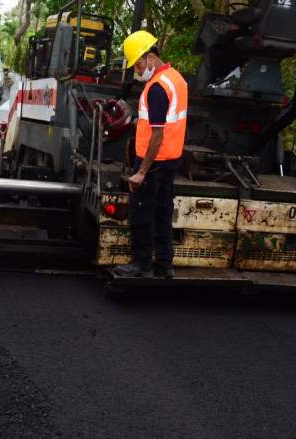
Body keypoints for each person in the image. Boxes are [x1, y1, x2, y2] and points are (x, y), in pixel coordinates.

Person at [113, 30, 187, 279]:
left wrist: (141, 171)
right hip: (170, 160)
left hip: (152, 162)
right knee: (164, 212)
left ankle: (141, 265)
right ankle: (165, 265)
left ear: (150, 57)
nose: (136, 71)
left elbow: (157, 134)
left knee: (142, 212)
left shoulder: (156, 88)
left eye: (138, 64)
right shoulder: (176, 78)